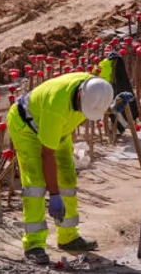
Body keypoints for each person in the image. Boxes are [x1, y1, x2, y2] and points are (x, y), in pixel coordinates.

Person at [9, 65, 130, 264]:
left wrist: (113, 106)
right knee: (36, 185)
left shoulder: (94, 87)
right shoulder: (56, 106)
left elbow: (99, 97)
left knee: (67, 177)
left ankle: (68, 237)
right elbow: (47, 155)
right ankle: (34, 244)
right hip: (27, 126)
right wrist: (54, 195)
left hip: (59, 130)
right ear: (80, 97)